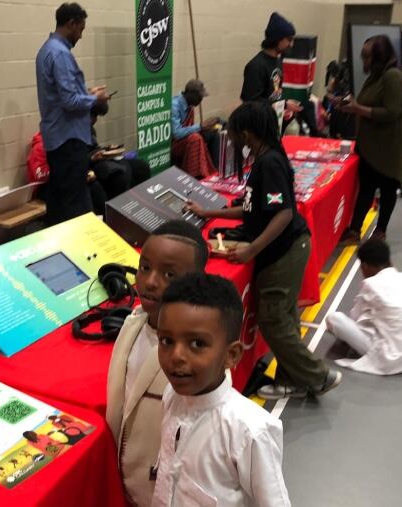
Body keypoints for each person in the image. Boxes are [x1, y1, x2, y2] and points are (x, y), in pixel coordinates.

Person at [187, 102, 340, 400]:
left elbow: (281, 214)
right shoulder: (264, 158)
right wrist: (207, 212)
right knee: (284, 317)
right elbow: (252, 210)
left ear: (246, 133)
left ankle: (318, 376)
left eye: (231, 133)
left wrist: (251, 249)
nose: (229, 138)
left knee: (273, 319)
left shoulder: (269, 163)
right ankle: (291, 380)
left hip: (285, 250)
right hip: (286, 247)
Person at [152, 273, 290, 507]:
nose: (176, 356)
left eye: (197, 344)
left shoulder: (250, 431)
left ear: (231, 355)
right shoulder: (172, 396)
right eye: (166, 341)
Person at [106, 220, 209, 507]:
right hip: (125, 482)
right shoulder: (132, 325)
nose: (151, 282)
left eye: (169, 274)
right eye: (145, 267)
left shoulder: (199, 356)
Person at [36, 2, 110, 225]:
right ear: (71, 24)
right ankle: (84, 252)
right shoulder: (60, 54)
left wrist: (86, 92)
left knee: (59, 202)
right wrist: (95, 98)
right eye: (81, 29)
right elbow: (69, 101)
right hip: (68, 140)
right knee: (76, 204)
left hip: (57, 139)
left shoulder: (46, 50)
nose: (81, 35)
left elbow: (59, 95)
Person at [325, 239, 402, 375]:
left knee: (334, 319)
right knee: (379, 316)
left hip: (391, 359)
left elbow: (354, 317)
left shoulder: (371, 284)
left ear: (365, 266)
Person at [338, 35, 402, 243]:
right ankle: (354, 230)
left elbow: (392, 112)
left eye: (368, 58)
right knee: (366, 189)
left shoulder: (392, 76)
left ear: (380, 56)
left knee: (387, 190)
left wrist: (358, 108)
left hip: (388, 146)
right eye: (363, 57)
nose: (364, 62)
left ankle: (381, 230)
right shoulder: (376, 76)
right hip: (370, 144)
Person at [240, 12, 302, 121]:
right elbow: (250, 102)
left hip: (273, 122)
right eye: (289, 39)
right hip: (259, 127)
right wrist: (284, 105)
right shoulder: (256, 66)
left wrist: (285, 105)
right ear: (277, 39)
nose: (291, 44)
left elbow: (273, 93)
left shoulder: (277, 60)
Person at [170, 79, 219, 178]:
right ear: (191, 93)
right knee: (195, 139)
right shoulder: (174, 105)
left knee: (213, 135)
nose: (201, 100)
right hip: (174, 142)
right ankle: (196, 176)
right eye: (199, 96)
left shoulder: (189, 105)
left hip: (186, 137)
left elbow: (189, 128)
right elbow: (177, 133)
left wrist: (205, 128)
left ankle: (215, 171)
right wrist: (200, 126)